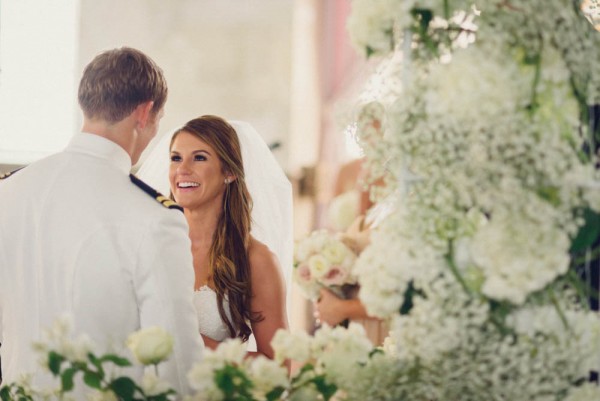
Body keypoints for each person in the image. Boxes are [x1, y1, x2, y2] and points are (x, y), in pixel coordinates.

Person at [0, 47, 203, 394]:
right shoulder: (155, 218)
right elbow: (177, 364)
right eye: (158, 120)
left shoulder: (11, 191)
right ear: (144, 113)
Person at [140, 115, 291, 361]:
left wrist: (196, 344)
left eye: (199, 158)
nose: (182, 169)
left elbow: (278, 365)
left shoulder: (256, 260)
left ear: (229, 172)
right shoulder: (150, 244)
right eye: (176, 158)